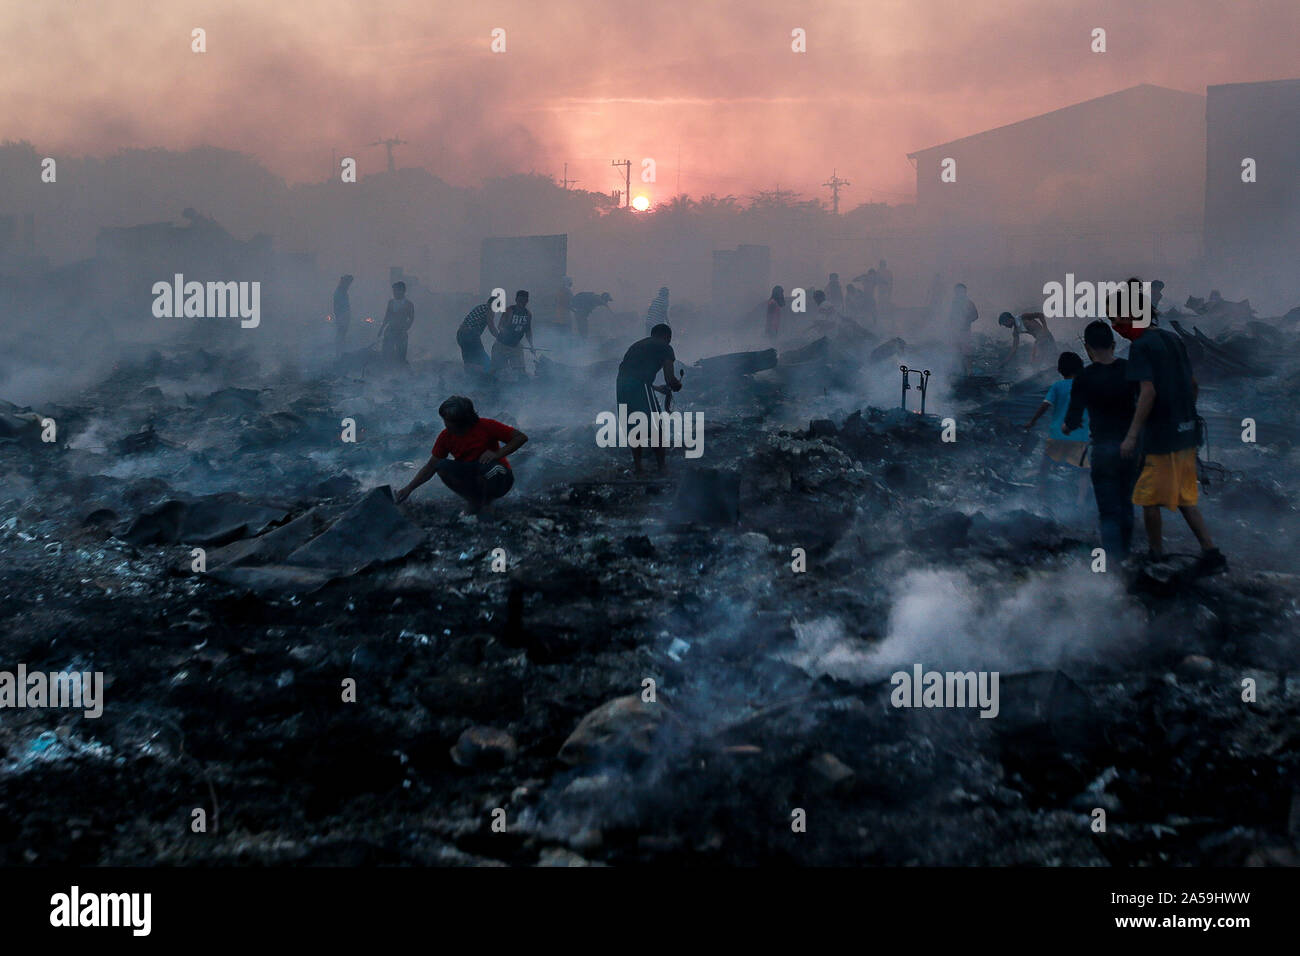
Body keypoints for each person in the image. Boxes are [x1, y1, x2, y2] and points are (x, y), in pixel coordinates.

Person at [1120, 316, 1226, 572]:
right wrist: (1185, 414)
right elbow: (1193, 385)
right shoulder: (1173, 339)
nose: (1116, 325)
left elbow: (1148, 392)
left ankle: (1156, 556)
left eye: (1117, 319)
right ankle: (1211, 553)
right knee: (1184, 498)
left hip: (1163, 437)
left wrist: (1132, 434)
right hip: (1187, 433)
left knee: (1147, 497)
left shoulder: (1141, 346)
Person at [1065, 321, 1139, 560]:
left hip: (1103, 450)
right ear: (1114, 344)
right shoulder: (1130, 370)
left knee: (1108, 510)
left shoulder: (1084, 378)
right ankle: (1125, 555)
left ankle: (1113, 563)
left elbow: (1072, 419)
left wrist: (1067, 427)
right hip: (1129, 447)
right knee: (1126, 502)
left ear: (1087, 348)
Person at [395, 396, 527, 514]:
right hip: (470, 474)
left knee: (491, 469)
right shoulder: (446, 436)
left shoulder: (486, 426)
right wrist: (409, 488)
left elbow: (520, 437)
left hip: (498, 475)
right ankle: (474, 501)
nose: (445, 423)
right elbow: (431, 466)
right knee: (441, 465)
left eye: (448, 420)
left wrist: (497, 454)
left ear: (462, 421)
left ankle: (487, 503)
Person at [1024, 351, 1090, 502]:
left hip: (1057, 435)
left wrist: (1032, 421)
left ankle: (1040, 494)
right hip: (1079, 435)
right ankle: (1080, 501)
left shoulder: (1057, 386)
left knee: (1045, 466)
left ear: (1060, 369)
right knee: (1084, 471)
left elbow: (1045, 406)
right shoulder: (1085, 386)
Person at [615, 323, 682, 474]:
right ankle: (662, 467)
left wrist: (657, 388)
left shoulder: (638, 345)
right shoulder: (665, 347)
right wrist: (676, 385)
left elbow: (633, 374)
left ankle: (638, 467)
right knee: (656, 426)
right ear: (668, 337)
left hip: (621, 386)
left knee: (634, 425)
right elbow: (670, 379)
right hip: (638, 386)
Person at [491, 290, 533, 375]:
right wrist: (506, 333)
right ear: (516, 300)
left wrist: (532, 346)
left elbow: (528, 331)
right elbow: (500, 326)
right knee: (497, 372)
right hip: (501, 345)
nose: (522, 303)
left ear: (527, 301)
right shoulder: (509, 310)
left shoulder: (528, 314)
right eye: (520, 300)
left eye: (524, 301)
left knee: (521, 372)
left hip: (516, 346)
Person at [456, 296, 498, 371]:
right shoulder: (489, 310)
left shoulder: (481, 307)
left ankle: (468, 378)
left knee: (470, 361)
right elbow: (491, 326)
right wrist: (500, 338)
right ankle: (484, 377)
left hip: (461, 335)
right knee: (483, 360)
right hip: (470, 335)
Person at [379, 281, 415, 365]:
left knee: (401, 355)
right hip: (390, 330)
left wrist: (405, 328)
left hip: (401, 332)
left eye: (396, 291)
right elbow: (387, 316)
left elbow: (411, 318)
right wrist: (381, 329)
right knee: (386, 352)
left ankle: (400, 372)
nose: (394, 293)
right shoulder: (391, 302)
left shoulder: (408, 304)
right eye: (393, 291)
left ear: (402, 291)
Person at [948, 283, 978, 375]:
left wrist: (967, 320)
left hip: (965, 332)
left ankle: (969, 373)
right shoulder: (953, 303)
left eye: (961, 291)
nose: (959, 293)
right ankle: (959, 372)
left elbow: (976, 316)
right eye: (957, 291)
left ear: (964, 292)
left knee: (967, 353)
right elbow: (950, 317)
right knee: (956, 352)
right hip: (955, 332)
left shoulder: (969, 303)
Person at [332, 274, 353, 355]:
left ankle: (340, 352)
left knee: (342, 336)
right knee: (340, 336)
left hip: (343, 318)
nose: (349, 285)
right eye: (348, 283)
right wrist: (340, 318)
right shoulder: (339, 292)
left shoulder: (342, 292)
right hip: (341, 318)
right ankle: (339, 353)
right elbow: (338, 307)